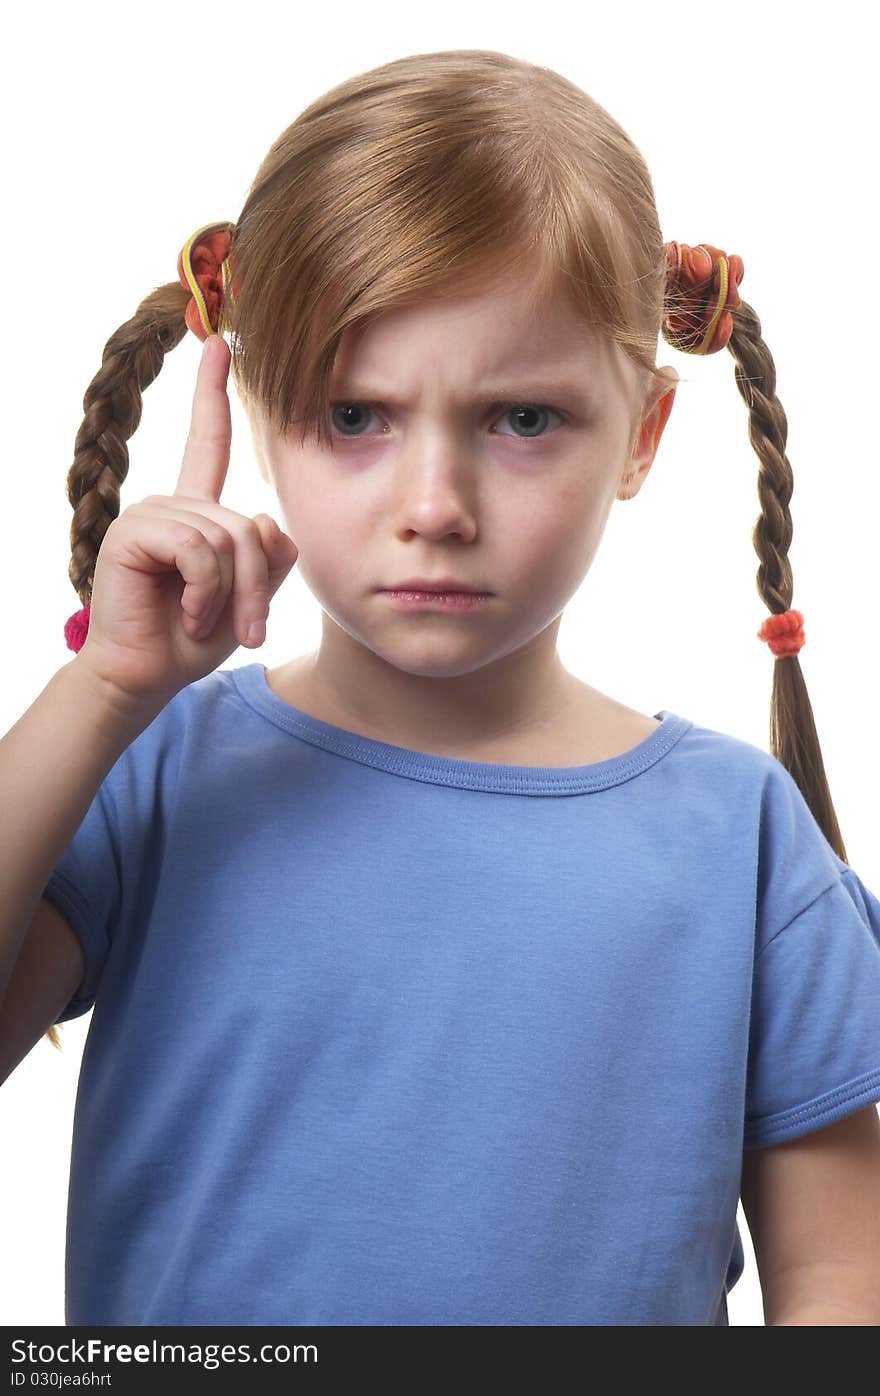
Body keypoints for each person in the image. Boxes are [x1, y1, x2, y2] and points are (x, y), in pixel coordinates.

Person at [2, 48, 879, 1327]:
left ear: (640, 432)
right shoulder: (151, 770)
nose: (433, 508)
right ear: (259, 414)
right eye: (355, 416)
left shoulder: (739, 838)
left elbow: (839, 1279)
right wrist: (100, 693)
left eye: (521, 419)